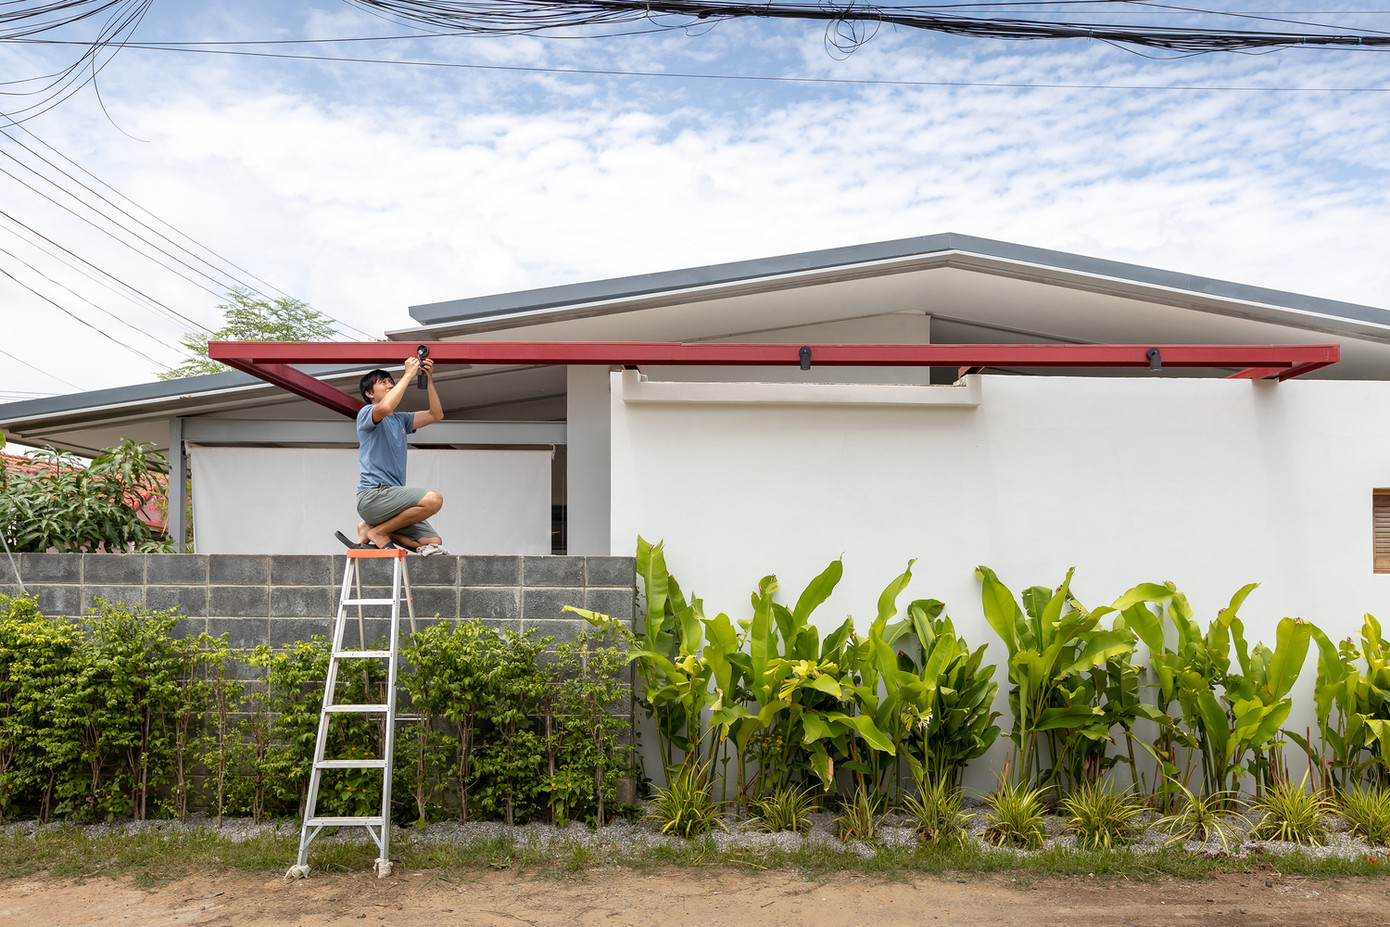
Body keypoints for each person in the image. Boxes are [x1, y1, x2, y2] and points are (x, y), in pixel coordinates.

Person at [348, 355, 449, 554]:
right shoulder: (366, 412)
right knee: (433, 499)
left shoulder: (401, 420)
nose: (389, 384)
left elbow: (436, 414)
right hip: (373, 496)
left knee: (433, 541)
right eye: (382, 382)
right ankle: (378, 532)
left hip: (392, 502)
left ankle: (372, 530)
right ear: (369, 393)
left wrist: (428, 380)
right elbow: (385, 407)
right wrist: (409, 374)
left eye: (390, 381)